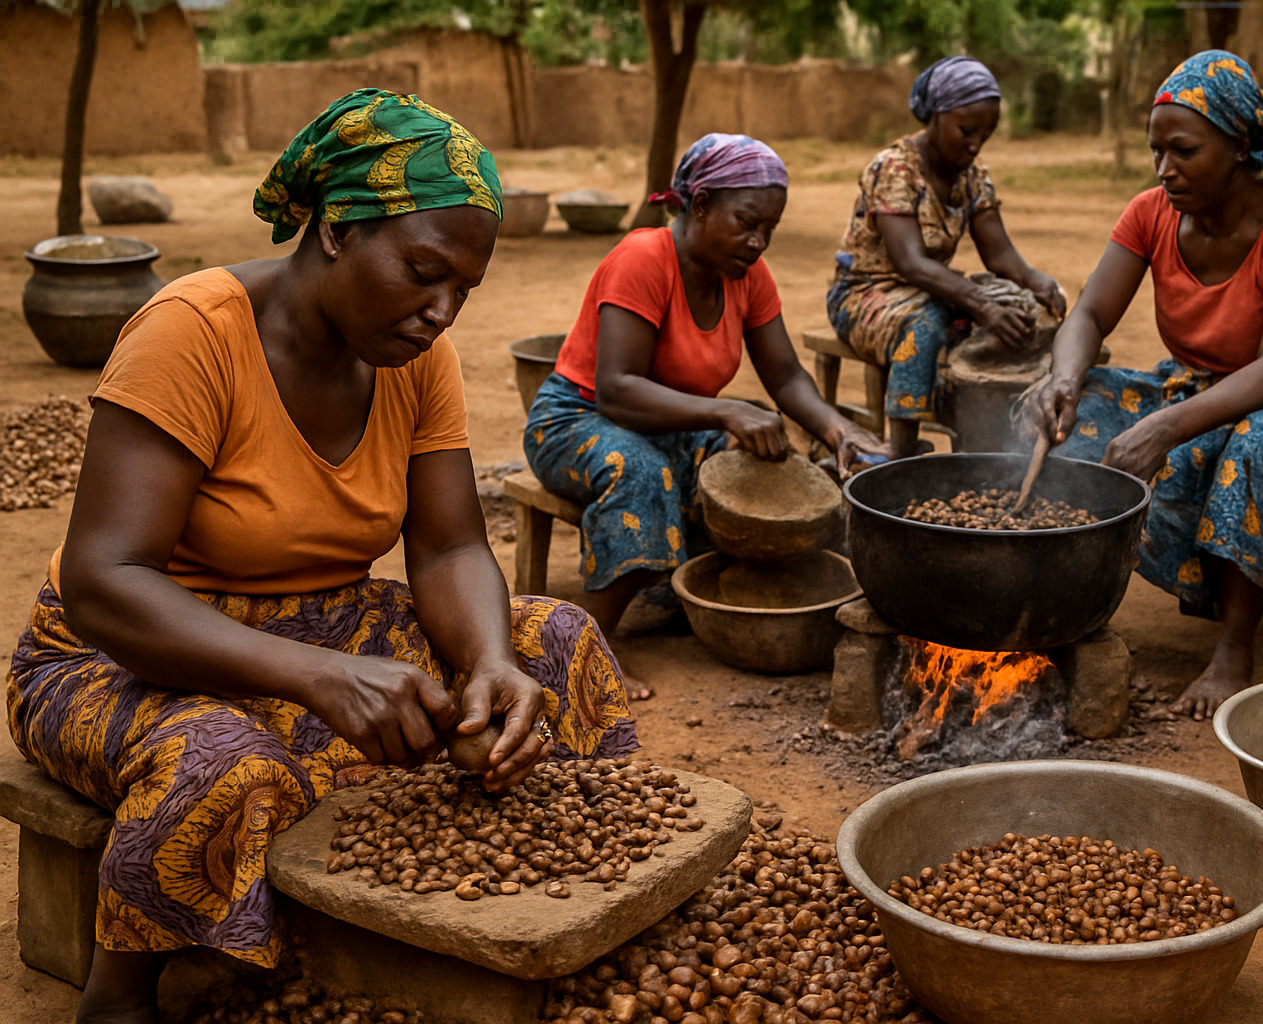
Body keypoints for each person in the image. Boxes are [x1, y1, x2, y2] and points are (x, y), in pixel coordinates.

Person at [5, 90, 636, 1024]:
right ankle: (123, 992)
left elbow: (452, 543)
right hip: (123, 652)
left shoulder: (415, 358)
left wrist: (491, 663)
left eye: (464, 290)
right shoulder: (193, 333)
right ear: (337, 230)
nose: (441, 312)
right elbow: (108, 580)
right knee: (226, 765)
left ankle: (554, 909)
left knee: (559, 642)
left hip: (331, 625)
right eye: (424, 273)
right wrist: (321, 677)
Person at [1022, 50, 1263, 721]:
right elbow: (1090, 314)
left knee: (1257, 446)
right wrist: (1062, 379)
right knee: (1072, 406)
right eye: (1156, 152)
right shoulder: (1151, 213)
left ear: (1240, 145)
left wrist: (1163, 428)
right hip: (1195, 391)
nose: (1163, 169)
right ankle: (1060, 602)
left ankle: (1233, 653)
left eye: (1182, 151)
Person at [523, 133, 888, 685]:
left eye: (769, 228)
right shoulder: (644, 258)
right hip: (576, 417)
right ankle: (581, 650)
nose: (758, 240)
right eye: (746, 222)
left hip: (672, 424)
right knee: (643, 471)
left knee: (761, 460)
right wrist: (725, 412)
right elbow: (617, 388)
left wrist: (842, 433)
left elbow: (786, 376)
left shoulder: (746, 276)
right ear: (700, 206)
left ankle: (687, 594)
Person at [826, 56, 1067, 459]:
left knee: (1014, 304)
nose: (975, 144)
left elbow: (1000, 255)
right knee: (927, 323)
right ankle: (898, 451)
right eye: (966, 131)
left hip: (932, 288)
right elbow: (910, 263)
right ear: (934, 117)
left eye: (986, 133)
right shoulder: (895, 169)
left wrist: (1037, 281)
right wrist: (980, 305)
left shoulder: (972, 175)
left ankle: (988, 441)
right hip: (865, 293)